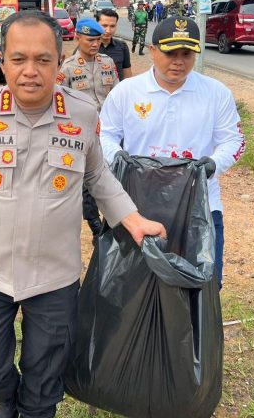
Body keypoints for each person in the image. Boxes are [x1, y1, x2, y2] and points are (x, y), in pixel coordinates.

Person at [0, 10, 166, 418]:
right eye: (19, 59)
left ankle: (32, 408)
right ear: (1, 60)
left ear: (58, 59)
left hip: (54, 274)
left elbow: (99, 175)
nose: (31, 71)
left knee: (45, 379)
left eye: (43, 60)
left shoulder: (81, 114)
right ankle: (8, 401)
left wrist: (133, 219)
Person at [100, 15, 245, 288]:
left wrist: (213, 164)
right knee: (133, 284)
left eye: (187, 54)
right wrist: (115, 156)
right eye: (170, 53)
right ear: (153, 51)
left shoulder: (215, 93)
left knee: (202, 284)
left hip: (199, 205)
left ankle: (194, 331)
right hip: (137, 206)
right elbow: (105, 134)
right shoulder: (127, 92)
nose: (179, 61)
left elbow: (234, 140)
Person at [57, 18, 119, 235]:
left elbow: (117, 95)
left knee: (111, 172)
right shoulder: (68, 68)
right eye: (90, 40)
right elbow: (60, 102)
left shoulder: (107, 63)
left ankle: (112, 218)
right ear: (78, 38)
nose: (95, 44)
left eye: (98, 40)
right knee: (88, 179)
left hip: (109, 129)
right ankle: (94, 225)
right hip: (83, 130)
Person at [97, 8, 132, 80]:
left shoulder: (122, 46)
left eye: (112, 26)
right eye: (104, 25)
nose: (108, 30)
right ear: (96, 24)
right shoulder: (86, 47)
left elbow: (127, 75)